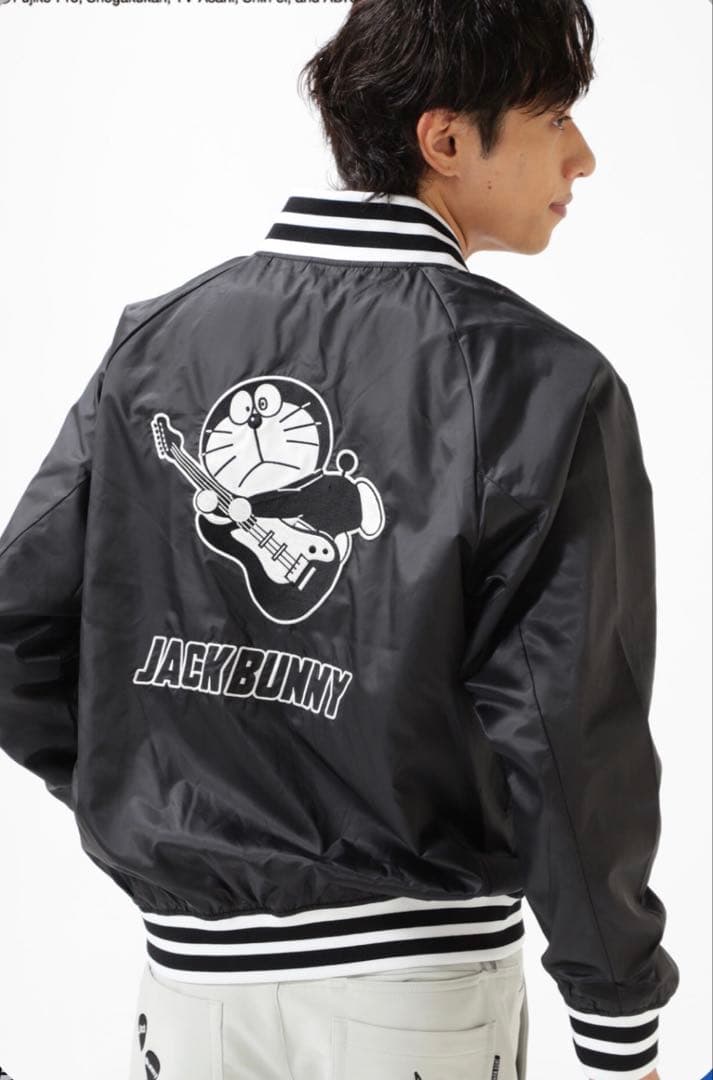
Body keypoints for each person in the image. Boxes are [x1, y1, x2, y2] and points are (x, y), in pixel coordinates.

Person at [0, 1, 678, 1078]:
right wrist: (618, 1022)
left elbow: (15, 629)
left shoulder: (161, 338)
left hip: (190, 996)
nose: (582, 156)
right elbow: (567, 732)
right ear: (445, 139)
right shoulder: (538, 382)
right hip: (416, 994)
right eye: (554, 117)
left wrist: (155, 800)